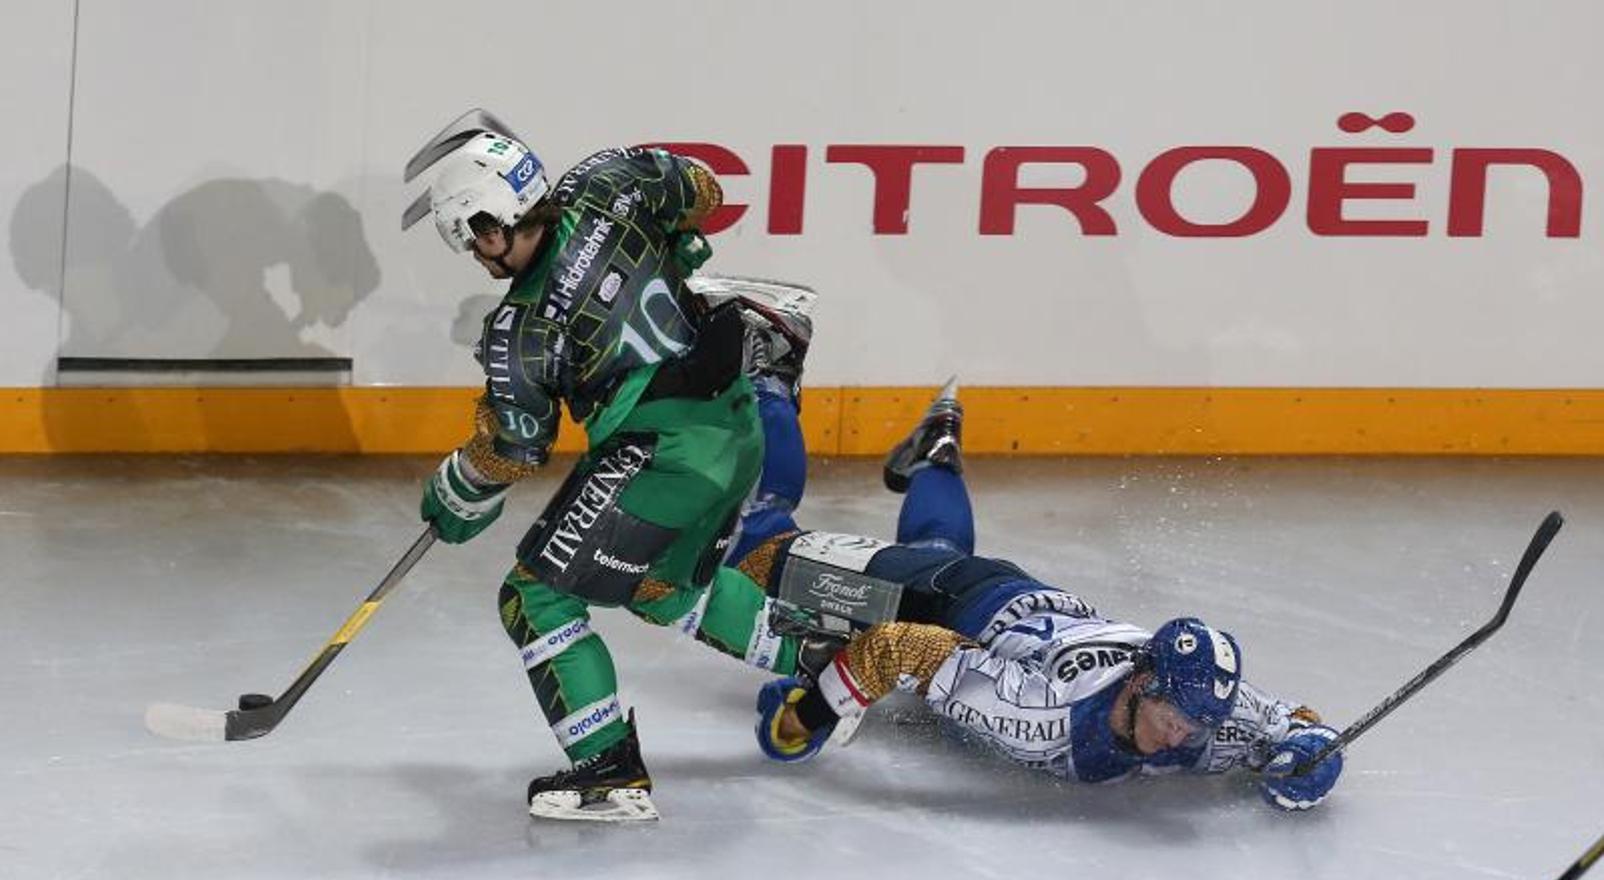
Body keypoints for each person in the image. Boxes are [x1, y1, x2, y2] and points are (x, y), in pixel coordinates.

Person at [402, 109, 810, 822]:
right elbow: (705, 188)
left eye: (472, 240)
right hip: (738, 427)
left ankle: (608, 772)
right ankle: (821, 665)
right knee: (658, 586)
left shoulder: (520, 329)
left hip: (663, 456)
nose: (477, 256)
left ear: (492, 224)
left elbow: (514, 450)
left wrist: (456, 491)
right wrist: (675, 238)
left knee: (533, 598)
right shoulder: (608, 181)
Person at [719, 380, 1345, 812]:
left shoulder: (1203, 712)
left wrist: (1314, 754)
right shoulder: (1043, 715)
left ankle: (935, 453)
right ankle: (771, 378)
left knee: (938, 546)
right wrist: (808, 718)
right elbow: (897, 649)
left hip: (1019, 609)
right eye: (1175, 718)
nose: (1183, 738)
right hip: (945, 598)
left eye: (1196, 724)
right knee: (756, 548)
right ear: (1140, 682)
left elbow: (1295, 723)